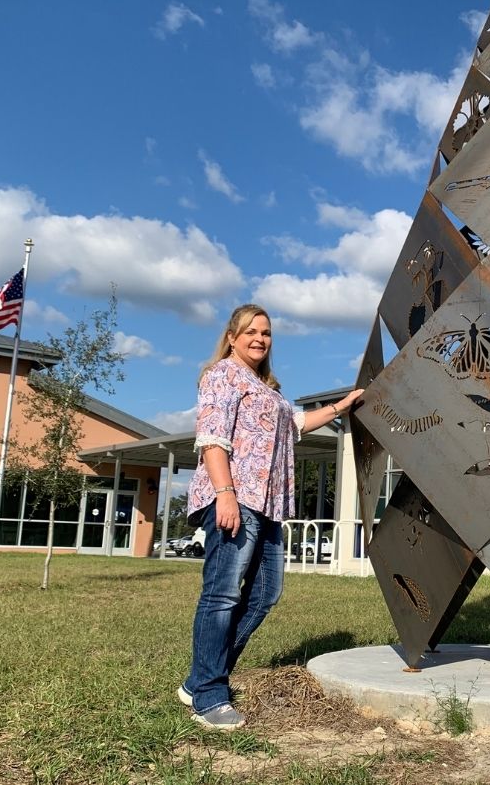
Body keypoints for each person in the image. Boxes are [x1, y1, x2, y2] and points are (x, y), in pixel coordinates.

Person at [179, 303, 363, 730]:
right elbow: (211, 438)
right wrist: (225, 494)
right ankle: (208, 696)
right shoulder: (222, 375)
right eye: (251, 332)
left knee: (265, 594)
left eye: (266, 333)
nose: (260, 339)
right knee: (222, 595)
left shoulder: (267, 389)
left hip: (269, 505)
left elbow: (295, 424)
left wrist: (341, 407)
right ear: (232, 337)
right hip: (236, 499)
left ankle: (198, 679)